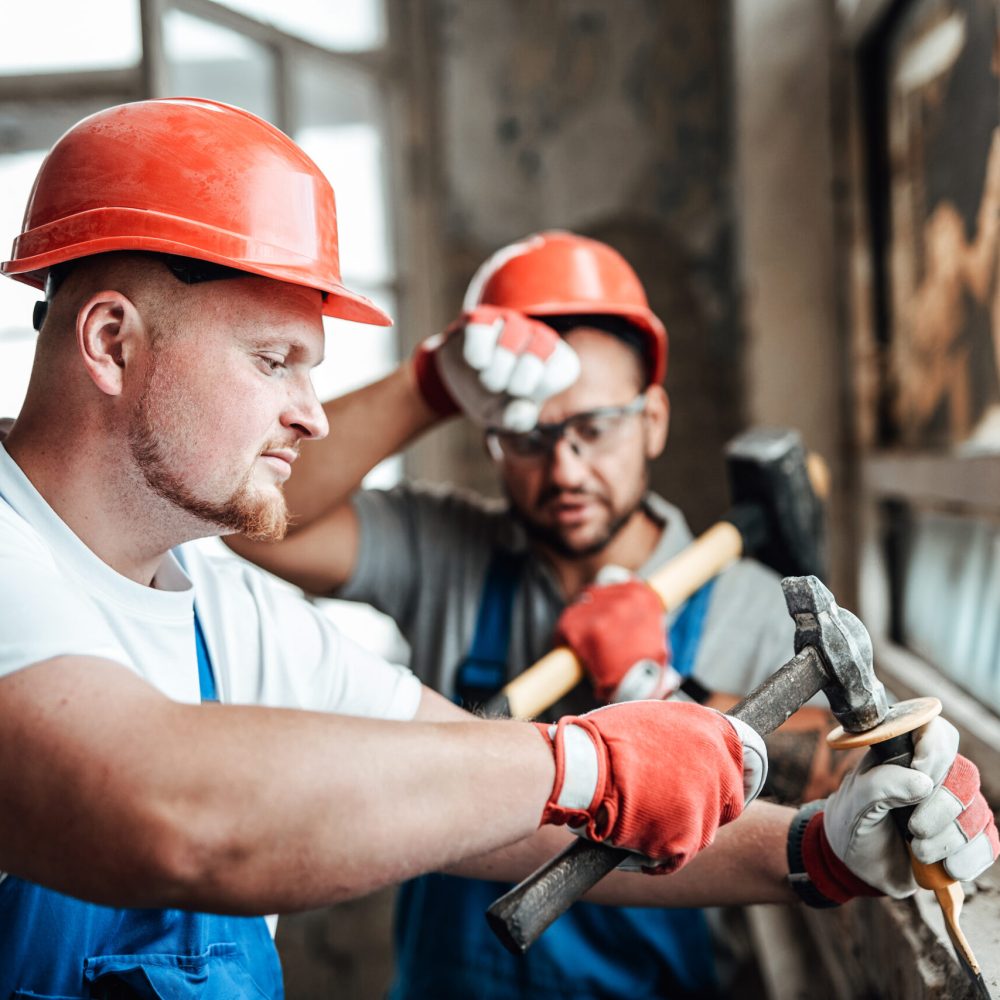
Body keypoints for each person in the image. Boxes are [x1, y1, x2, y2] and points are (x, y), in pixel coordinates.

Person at [0, 98, 994, 999]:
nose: (308, 416)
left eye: (310, 369)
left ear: (653, 420)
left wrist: (814, 851)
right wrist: (579, 761)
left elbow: (512, 807)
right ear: (112, 342)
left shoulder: (225, 611)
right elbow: (173, 811)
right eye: (275, 363)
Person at [227, 230, 1000, 998]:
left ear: (653, 421)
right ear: (488, 436)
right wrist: (427, 382)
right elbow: (255, 518)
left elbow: (835, 783)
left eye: (594, 429)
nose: (563, 468)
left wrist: (659, 689)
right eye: (528, 436)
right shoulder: (447, 552)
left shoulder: (750, 608)